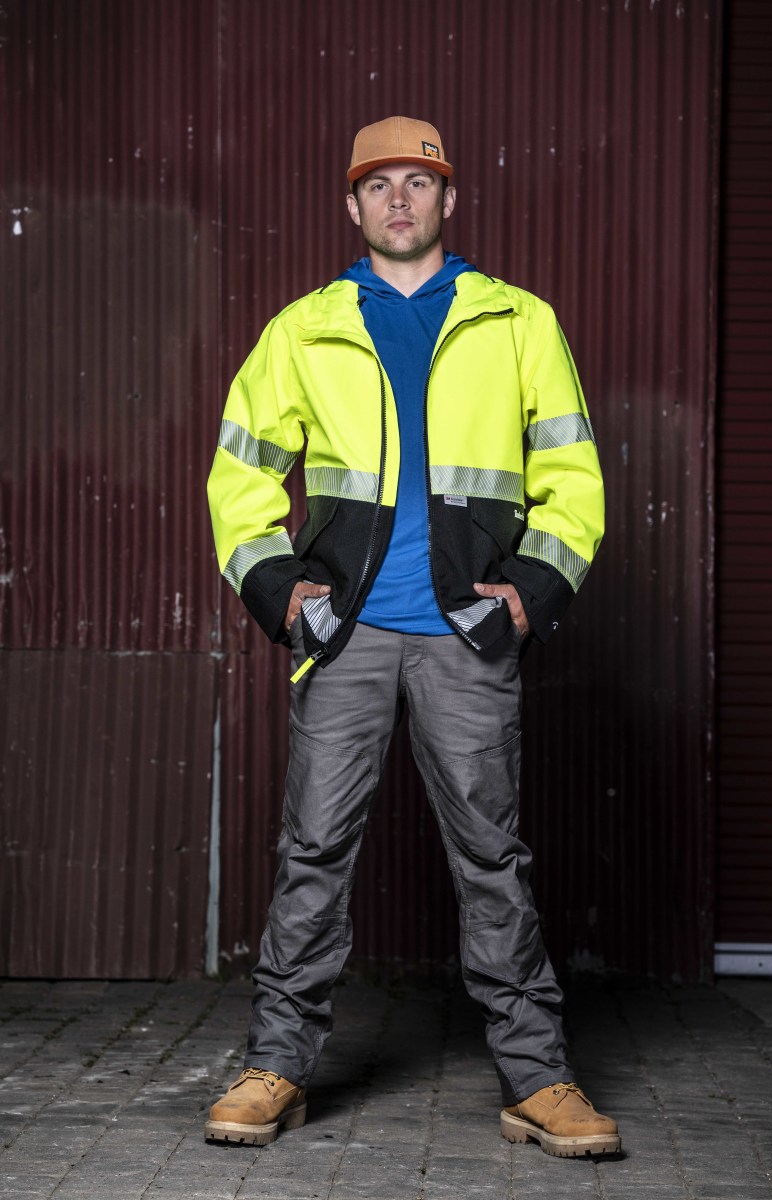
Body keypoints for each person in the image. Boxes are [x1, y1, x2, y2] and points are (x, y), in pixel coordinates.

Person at [205, 115, 618, 1159]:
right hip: (344, 636)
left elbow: (573, 480)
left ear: (448, 199)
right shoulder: (303, 330)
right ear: (352, 203)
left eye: (418, 182)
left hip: (465, 636)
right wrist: (280, 591)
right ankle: (275, 1067)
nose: (400, 199)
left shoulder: (517, 321)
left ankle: (538, 1079)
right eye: (379, 183)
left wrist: (527, 592)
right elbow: (239, 476)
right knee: (312, 851)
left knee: (491, 856)